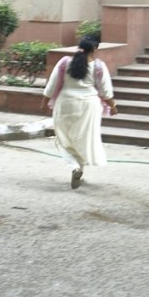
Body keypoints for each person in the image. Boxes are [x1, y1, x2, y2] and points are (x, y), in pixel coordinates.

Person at [43, 36, 117, 189]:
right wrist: (113, 106)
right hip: (88, 106)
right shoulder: (98, 66)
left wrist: (44, 103)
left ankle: (75, 166)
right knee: (83, 139)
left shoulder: (64, 62)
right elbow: (106, 92)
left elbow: (51, 85)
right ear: (95, 49)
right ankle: (79, 168)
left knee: (64, 139)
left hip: (65, 104)